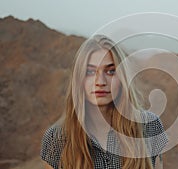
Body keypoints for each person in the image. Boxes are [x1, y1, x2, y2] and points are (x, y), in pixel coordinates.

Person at [40, 35, 168, 169]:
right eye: (90, 72)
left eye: (111, 71)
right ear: (78, 79)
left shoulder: (149, 126)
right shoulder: (56, 138)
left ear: (122, 78)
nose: (100, 82)